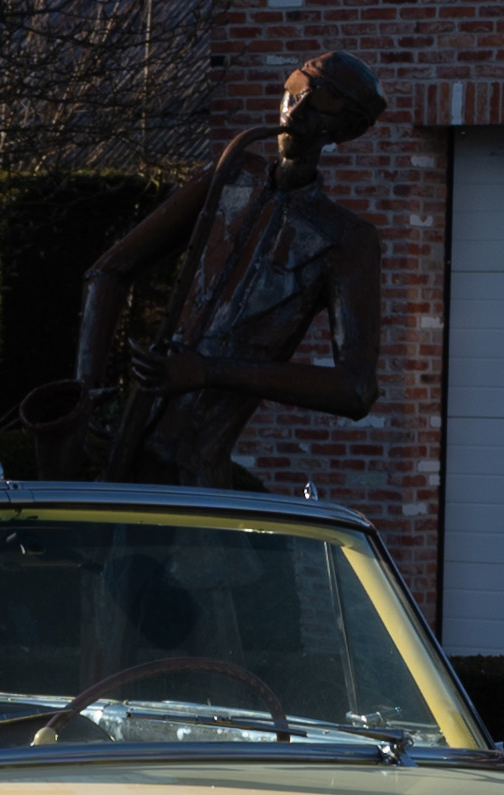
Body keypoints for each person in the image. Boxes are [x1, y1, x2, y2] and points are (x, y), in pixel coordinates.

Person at [73, 53, 387, 489]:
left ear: (347, 129)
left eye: (318, 105)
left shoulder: (346, 240)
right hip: (121, 448)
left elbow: (356, 389)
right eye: (292, 94)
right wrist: (83, 395)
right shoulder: (229, 176)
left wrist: (209, 371)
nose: (293, 112)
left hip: (195, 477)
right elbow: (108, 271)